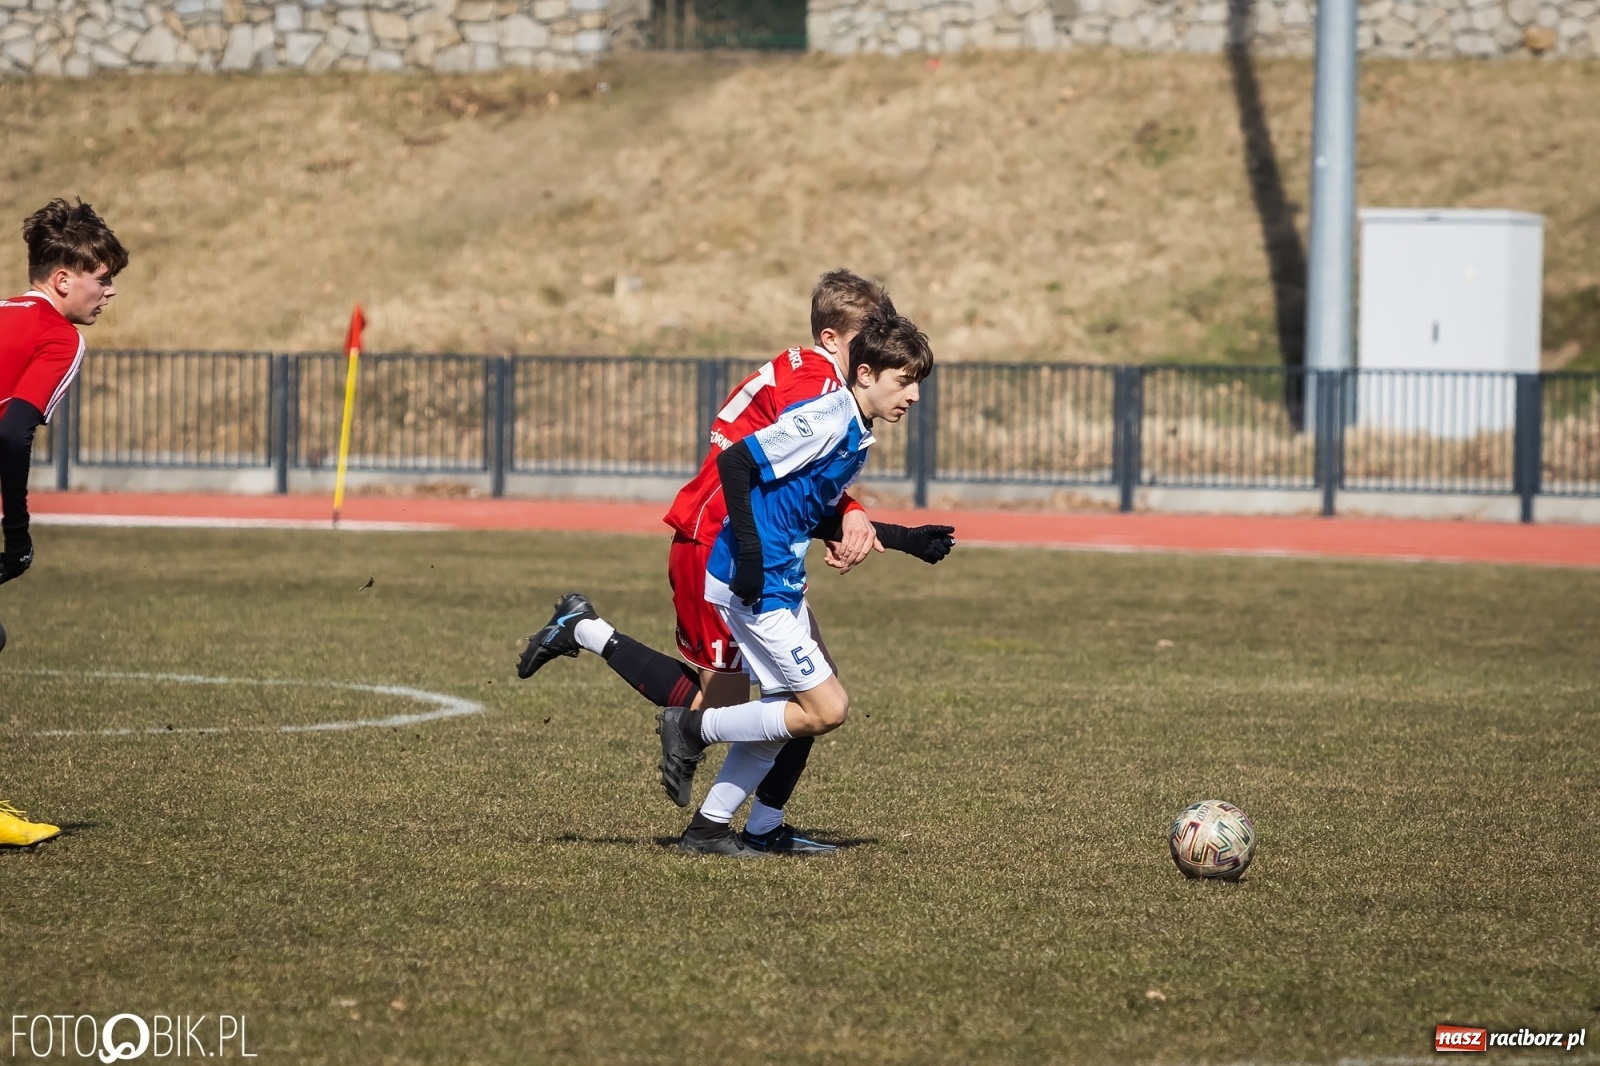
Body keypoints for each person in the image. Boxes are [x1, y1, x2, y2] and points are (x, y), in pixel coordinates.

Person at [519, 272, 952, 855]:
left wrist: (887, 531)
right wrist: (844, 514)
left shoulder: (829, 385)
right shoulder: (818, 384)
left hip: (758, 547)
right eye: (867, 335)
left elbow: (805, 480)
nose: (878, 345)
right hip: (722, 538)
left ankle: (748, 826)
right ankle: (594, 638)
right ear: (834, 340)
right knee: (733, 706)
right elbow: (772, 462)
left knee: (796, 698)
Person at [654, 308, 934, 856]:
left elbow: (805, 508)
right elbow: (737, 462)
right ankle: (689, 729)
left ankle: (710, 829)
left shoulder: (857, 428)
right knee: (827, 709)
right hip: (757, 582)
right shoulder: (828, 417)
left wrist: (901, 539)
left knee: (789, 714)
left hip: (781, 579)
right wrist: (753, 558)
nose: (914, 396)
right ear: (865, 373)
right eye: (904, 381)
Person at [0, 197, 129, 848]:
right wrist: (17, 531)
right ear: (62, 280)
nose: (108, 294)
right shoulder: (59, 335)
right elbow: (14, 430)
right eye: (102, 280)